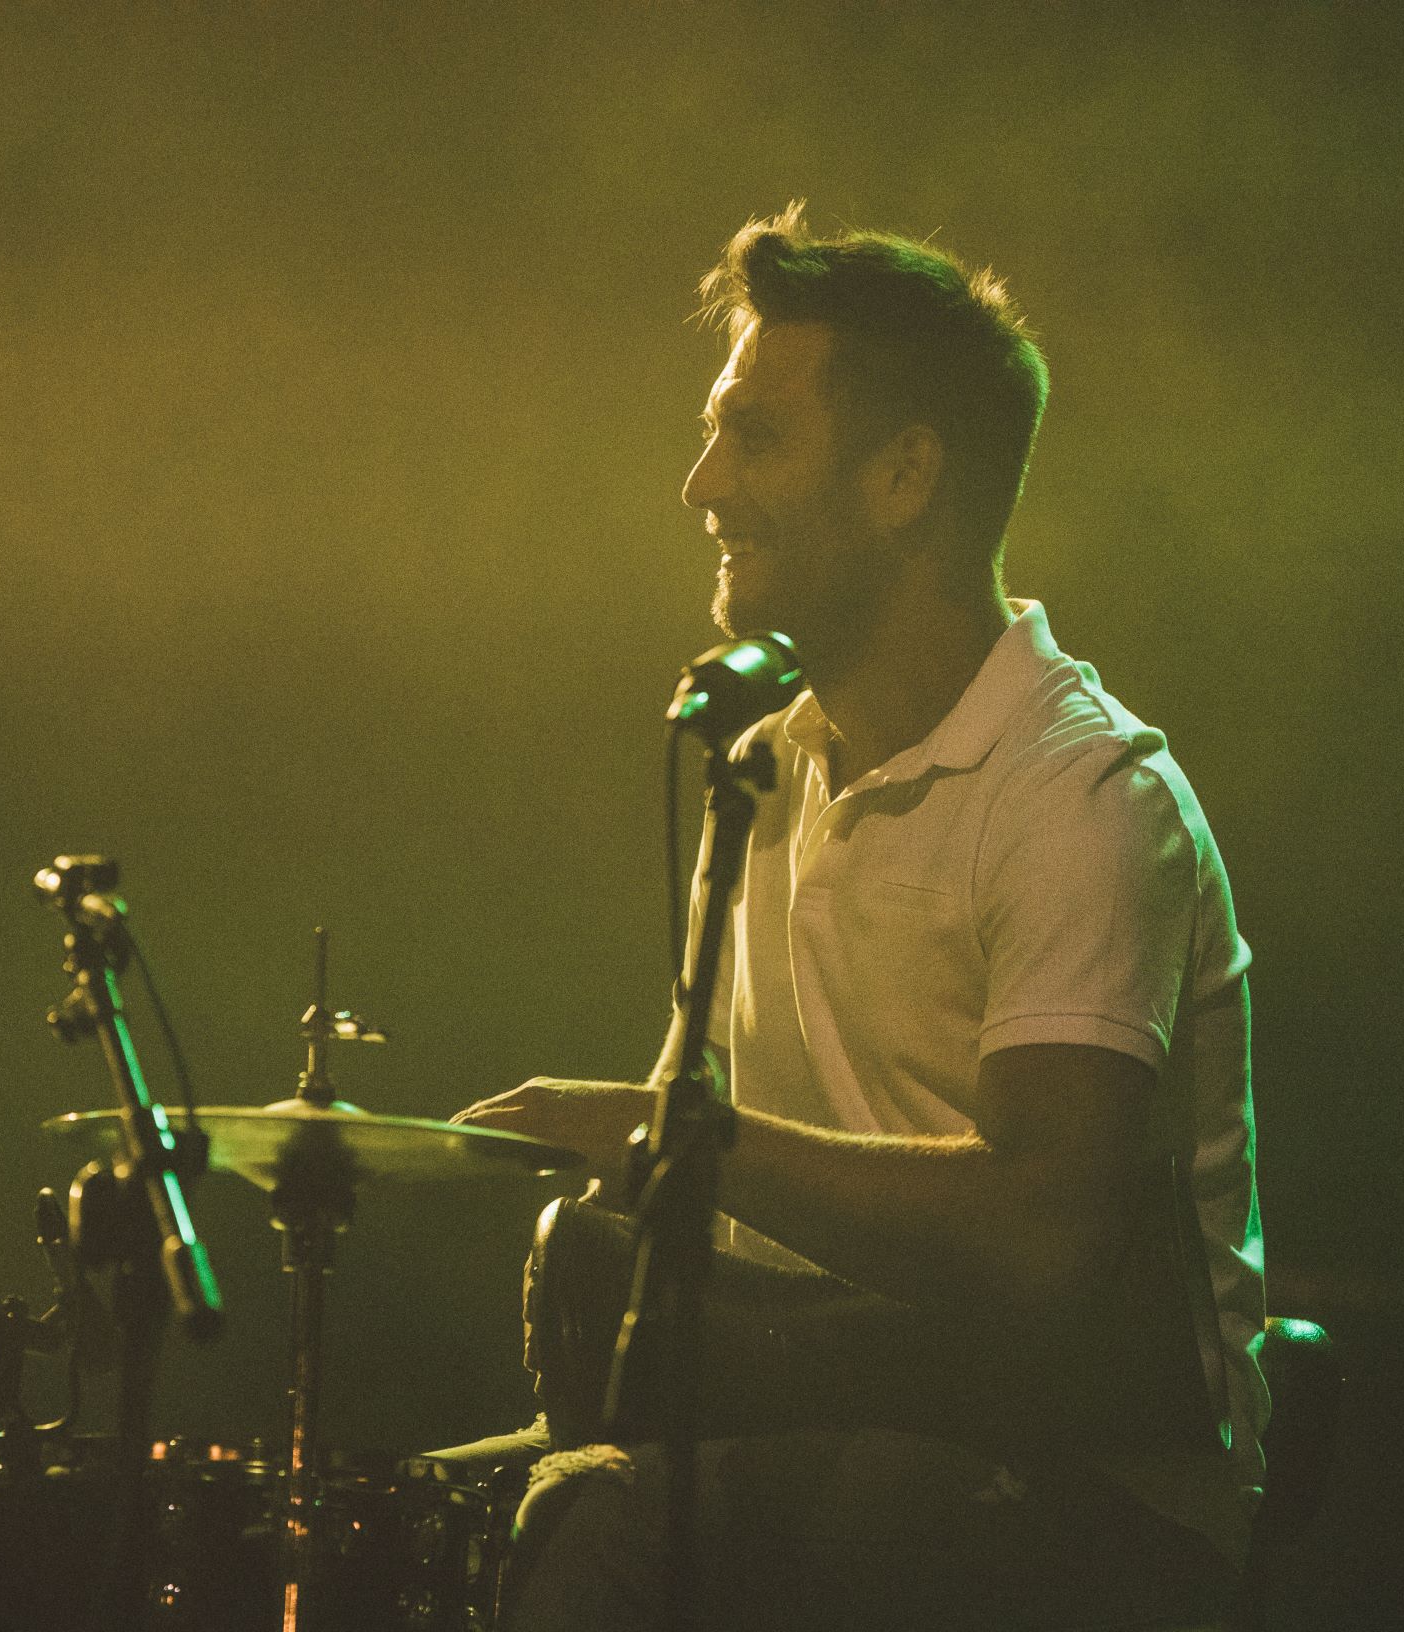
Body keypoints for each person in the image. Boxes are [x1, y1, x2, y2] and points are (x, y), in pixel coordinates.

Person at [450, 204, 1266, 1632]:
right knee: (458, 1526)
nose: (702, 484)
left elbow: (1043, 1238)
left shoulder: (1079, 796)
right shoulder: (765, 770)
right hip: (828, 1435)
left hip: (1082, 1496)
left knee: (760, 1533)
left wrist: (673, 1141)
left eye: (754, 438)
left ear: (903, 477)